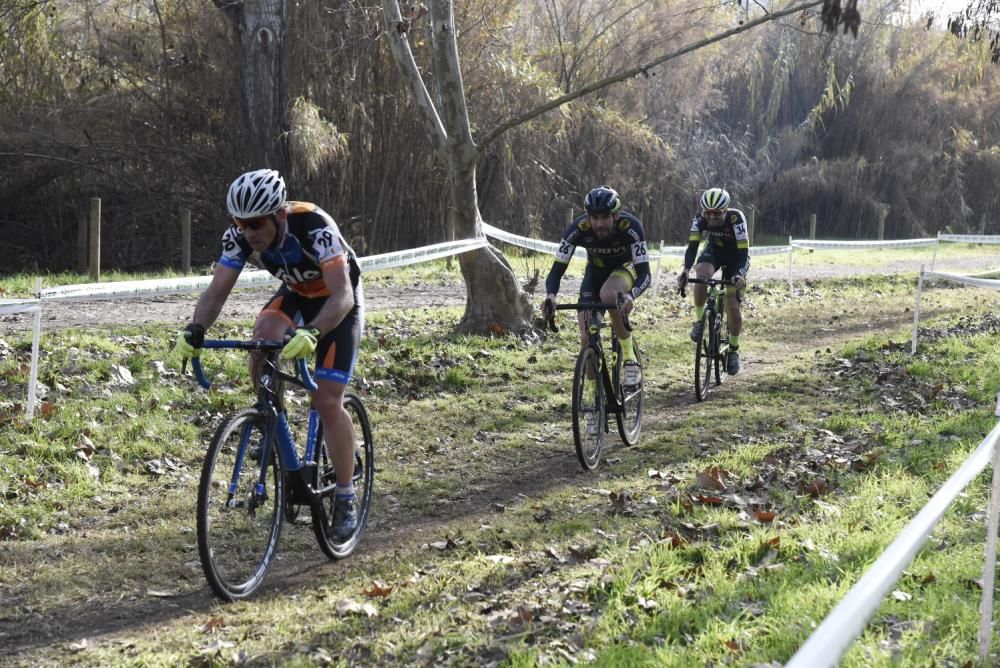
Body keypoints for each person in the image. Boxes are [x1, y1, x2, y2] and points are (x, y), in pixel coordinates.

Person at [175, 168, 364, 538]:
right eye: (239, 223)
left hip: (339, 303)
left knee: (326, 401)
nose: (248, 232)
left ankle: (345, 495)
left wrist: (312, 332)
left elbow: (342, 294)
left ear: (279, 215)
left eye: (255, 224)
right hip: (298, 294)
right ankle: (270, 422)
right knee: (263, 337)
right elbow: (216, 293)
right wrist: (196, 328)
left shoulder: (314, 226)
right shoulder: (241, 237)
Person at [543, 186, 651, 432]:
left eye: (605, 218)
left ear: (615, 216)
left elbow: (645, 273)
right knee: (586, 338)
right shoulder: (577, 230)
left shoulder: (631, 228)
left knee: (609, 294)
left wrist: (632, 295)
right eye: (595, 218)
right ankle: (592, 401)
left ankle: (630, 359)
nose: (599, 224)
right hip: (595, 273)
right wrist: (551, 295)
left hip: (626, 269)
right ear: (588, 217)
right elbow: (556, 270)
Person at [676, 187, 749, 375]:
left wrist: (740, 274)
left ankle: (733, 350)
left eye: (716, 213)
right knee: (700, 275)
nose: (712, 217)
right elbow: (692, 247)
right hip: (715, 251)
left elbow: (744, 253)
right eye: (708, 213)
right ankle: (700, 321)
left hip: (736, 257)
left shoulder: (737, 219)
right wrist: (685, 269)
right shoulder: (700, 219)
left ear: (726, 210)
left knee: (732, 305)